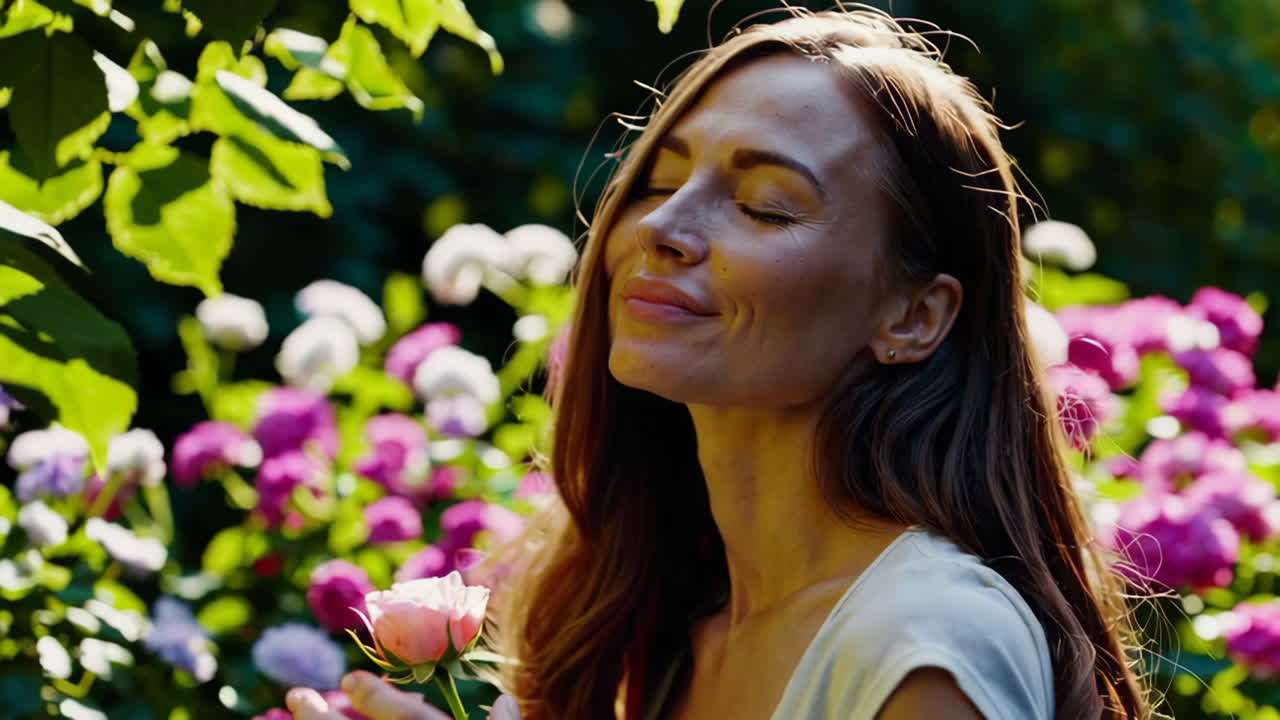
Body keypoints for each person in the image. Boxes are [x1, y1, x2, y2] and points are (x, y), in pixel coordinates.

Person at [287, 7, 1153, 720]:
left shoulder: (925, 643)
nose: (661, 229)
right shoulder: (653, 629)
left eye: (765, 206)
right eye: (659, 183)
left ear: (914, 315)